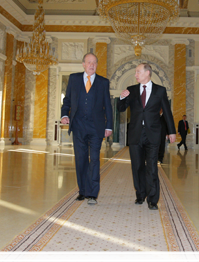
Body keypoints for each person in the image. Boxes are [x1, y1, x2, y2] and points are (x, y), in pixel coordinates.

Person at [117, 63, 176, 210]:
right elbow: (120, 109)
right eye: (136, 72)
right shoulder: (131, 90)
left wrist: (172, 131)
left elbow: (167, 112)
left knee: (151, 167)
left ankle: (152, 199)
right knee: (137, 167)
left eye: (138, 72)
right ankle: (140, 194)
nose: (135, 74)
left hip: (153, 134)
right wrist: (122, 97)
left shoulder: (160, 91)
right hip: (136, 134)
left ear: (147, 72)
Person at [61, 53, 113, 205]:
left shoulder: (103, 82)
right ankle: (82, 191)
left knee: (95, 159)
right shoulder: (74, 79)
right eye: (89, 62)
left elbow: (107, 106)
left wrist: (109, 125)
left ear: (97, 65)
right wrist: (65, 114)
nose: (92, 65)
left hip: (96, 127)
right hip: (78, 126)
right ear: (83, 64)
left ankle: (92, 193)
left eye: (94, 63)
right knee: (81, 159)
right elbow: (67, 99)